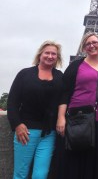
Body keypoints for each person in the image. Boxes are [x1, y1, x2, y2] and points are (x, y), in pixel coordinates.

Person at [56, 32, 98, 179]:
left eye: (95, 42)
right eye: (88, 43)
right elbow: (64, 92)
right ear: (83, 47)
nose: (91, 45)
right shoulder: (76, 66)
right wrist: (61, 117)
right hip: (80, 120)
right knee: (79, 163)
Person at [7, 41, 63, 179]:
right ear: (40, 55)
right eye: (47, 53)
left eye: (53, 54)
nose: (50, 56)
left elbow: (64, 99)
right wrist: (17, 125)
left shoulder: (60, 76)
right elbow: (12, 102)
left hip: (49, 133)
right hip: (26, 131)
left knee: (41, 175)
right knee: (20, 173)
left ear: (57, 57)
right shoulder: (24, 74)